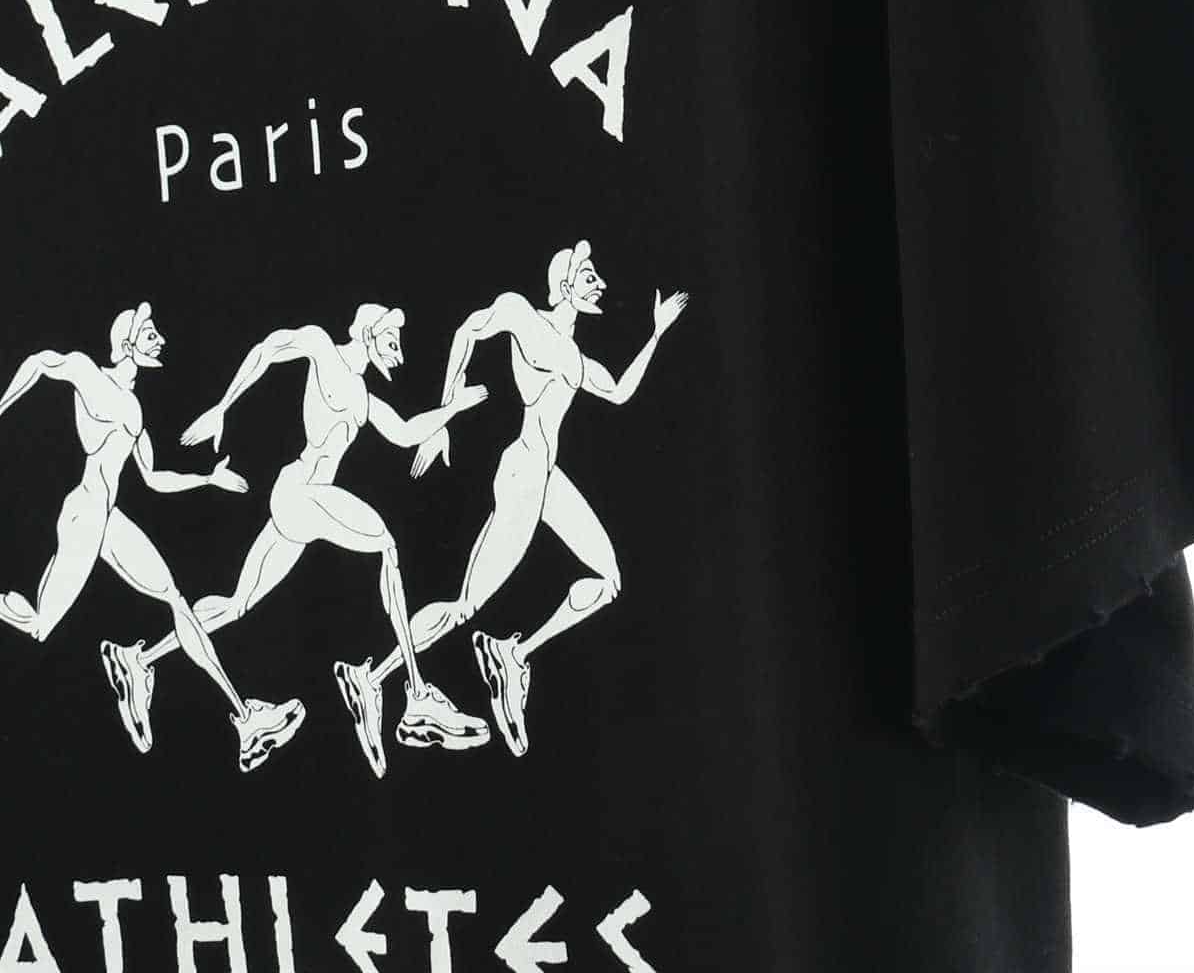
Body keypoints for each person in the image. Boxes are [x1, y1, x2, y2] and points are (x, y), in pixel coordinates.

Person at [111, 303, 489, 777]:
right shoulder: (322, 347)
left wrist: (453, 409)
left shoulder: (364, 397)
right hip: (301, 493)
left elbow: (405, 432)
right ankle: (415, 697)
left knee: (236, 603)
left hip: (301, 504)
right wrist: (222, 408)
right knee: (387, 546)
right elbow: (269, 349)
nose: (399, 353)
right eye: (392, 341)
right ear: (368, 334)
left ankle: (139, 659)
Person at [364, 241, 687, 755]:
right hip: (521, 478)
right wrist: (445, 416)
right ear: (564, 285)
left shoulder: (573, 355)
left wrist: (656, 333)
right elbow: (468, 330)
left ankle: (513, 656)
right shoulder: (527, 319)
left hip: (546, 478)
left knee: (609, 580)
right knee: (465, 606)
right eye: (589, 277)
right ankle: (374, 678)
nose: (600, 285)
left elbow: (619, 391)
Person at [0, 302, 305, 772]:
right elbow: (41, 362)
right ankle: (137, 670)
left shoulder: (135, 409)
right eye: (149, 334)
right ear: (126, 344)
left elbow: (154, 477)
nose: (159, 339)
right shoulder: (89, 374)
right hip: (84, 517)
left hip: (109, 520)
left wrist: (208, 478)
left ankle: (244, 719)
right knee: (40, 627)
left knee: (176, 598)